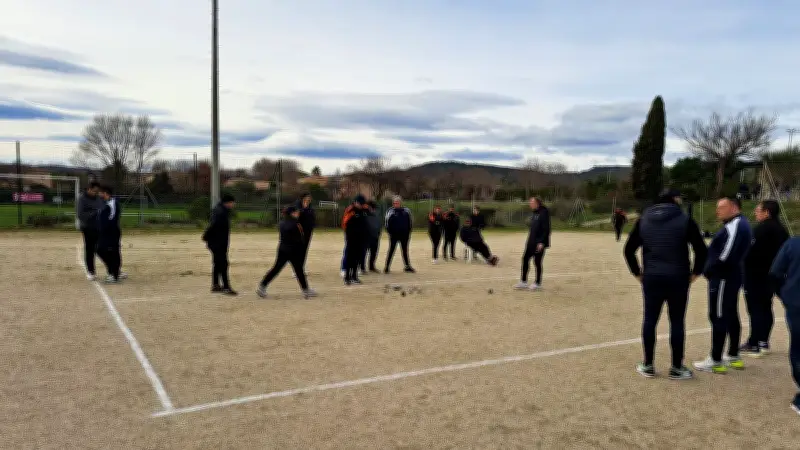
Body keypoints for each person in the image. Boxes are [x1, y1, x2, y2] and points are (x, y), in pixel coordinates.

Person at [623, 189, 708, 379]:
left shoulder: (644, 219)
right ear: (674, 201)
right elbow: (701, 250)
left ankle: (648, 364)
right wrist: (695, 273)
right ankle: (677, 367)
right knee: (677, 321)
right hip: (678, 277)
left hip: (652, 276)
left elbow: (628, 250)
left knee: (649, 320)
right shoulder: (685, 219)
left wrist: (637, 273)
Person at [694, 197, 753, 374]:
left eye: (721, 207)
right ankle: (733, 354)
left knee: (717, 315)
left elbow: (726, 254)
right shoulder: (740, 224)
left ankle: (715, 359)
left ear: (734, 208)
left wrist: (711, 270)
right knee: (730, 313)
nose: (717, 211)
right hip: (730, 277)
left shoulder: (736, 225)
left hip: (723, 278)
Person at [741, 200, 789, 356]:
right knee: (766, 307)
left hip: (756, 275)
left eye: (758, 210)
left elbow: (749, 252)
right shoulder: (782, 230)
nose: (755, 213)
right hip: (773, 276)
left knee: (755, 308)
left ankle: (754, 342)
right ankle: (763, 340)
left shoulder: (761, 230)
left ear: (767, 212)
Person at [256, 206, 317, 299]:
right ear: (292, 213)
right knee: (299, 270)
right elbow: (300, 239)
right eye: (296, 212)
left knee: (276, 269)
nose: (298, 214)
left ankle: (262, 286)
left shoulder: (281, 223)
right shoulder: (296, 224)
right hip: (293, 250)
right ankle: (306, 290)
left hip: (282, 248)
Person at [769, 235, 800, 415]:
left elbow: (775, 274)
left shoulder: (793, 243)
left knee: (798, 349)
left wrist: (785, 295)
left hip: (796, 305)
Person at [202, 194, 237, 295]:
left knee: (217, 263)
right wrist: (206, 236)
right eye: (232, 202)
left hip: (218, 242)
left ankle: (216, 285)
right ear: (228, 202)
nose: (233, 204)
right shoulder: (221, 212)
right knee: (223, 264)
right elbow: (213, 225)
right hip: (218, 242)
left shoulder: (220, 210)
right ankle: (226, 287)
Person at [515, 197, 551, 290]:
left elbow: (546, 229)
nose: (530, 204)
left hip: (539, 243)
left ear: (537, 203)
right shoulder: (535, 213)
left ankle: (538, 283)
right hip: (531, 242)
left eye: (531, 202)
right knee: (525, 259)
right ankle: (523, 281)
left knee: (537, 262)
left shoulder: (544, 213)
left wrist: (541, 242)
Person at [96, 185, 126, 284]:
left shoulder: (113, 204)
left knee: (114, 252)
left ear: (105, 193)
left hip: (112, 232)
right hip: (104, 232)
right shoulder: (104, 203)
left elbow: (113, 219)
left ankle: (115, 274)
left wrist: (105, 228)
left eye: (101, 192)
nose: (99, 194)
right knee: (99, 250)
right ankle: (113, 270)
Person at [77, 181, 104, 281]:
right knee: (90, 250)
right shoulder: (82, 199)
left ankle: (113, 269)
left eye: (97, 191)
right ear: (89, 189)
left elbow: (103, 208)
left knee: (103, 248)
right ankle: (91, 271)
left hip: (99, 227)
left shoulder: (98, 198)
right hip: (87, 228)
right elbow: (80, 215)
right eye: (94, 191)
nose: (96, 193)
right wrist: (95, 213)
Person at [384, 196, 415, 273]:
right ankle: (387, 267)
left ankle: (407, 266)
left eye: (397, 203)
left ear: (400, 203)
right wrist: (390, 233)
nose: (396, 204)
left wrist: (408, 232)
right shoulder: (390, 211)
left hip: (404, 235)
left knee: (405, 251)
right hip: (394, 235)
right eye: (394, 203)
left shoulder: (406, 211)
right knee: (391, 250)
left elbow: (410, 222)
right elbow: (386, 223)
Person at [340, 195, 367, 278]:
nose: (361, 205)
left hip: (359, 236)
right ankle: (344, 269)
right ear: (355, 202)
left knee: (358, 254)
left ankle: (355, 270)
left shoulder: (363, 210)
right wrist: (349, 234)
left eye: (362, 204)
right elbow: (344, 223)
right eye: (360, 203)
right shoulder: (350, 210)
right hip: (351, 236)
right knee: (348, 252)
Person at [296, 192, 316, 276]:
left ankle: (301, 268)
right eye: (308, 197)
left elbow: (312, 217)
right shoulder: (298, 205)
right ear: (303, 198)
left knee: (304, 250)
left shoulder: (310, 206)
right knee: (299, 250)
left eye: (310, 197)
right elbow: (296, 218)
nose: (309, 199)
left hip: (308, 231)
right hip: (300, 232)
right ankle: (296, 270)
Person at [361, 201, 382, 274]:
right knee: (364, 253)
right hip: (366, 237)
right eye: (373, 208)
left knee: (374, 253)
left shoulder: (376, 215)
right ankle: (362, 268)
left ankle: (371, 267)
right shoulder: (364, 214)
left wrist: (379, 233)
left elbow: (379, 225)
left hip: (375, 237)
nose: (374, 210)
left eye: (374, 209)